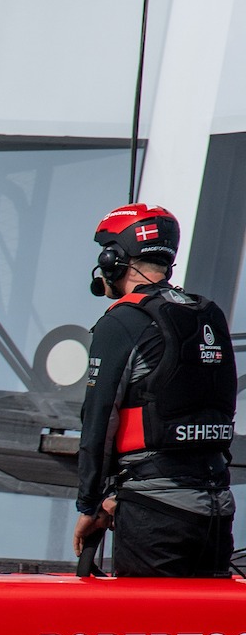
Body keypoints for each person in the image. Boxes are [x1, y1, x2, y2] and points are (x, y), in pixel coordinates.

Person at [71, 203, 237, 577]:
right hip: (218, 508)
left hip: (155, 519)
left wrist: (90, 505)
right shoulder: (207, 313)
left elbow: (97, 423)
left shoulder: (122, 321)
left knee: (144, 633)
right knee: (202, 634)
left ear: (114, 258)